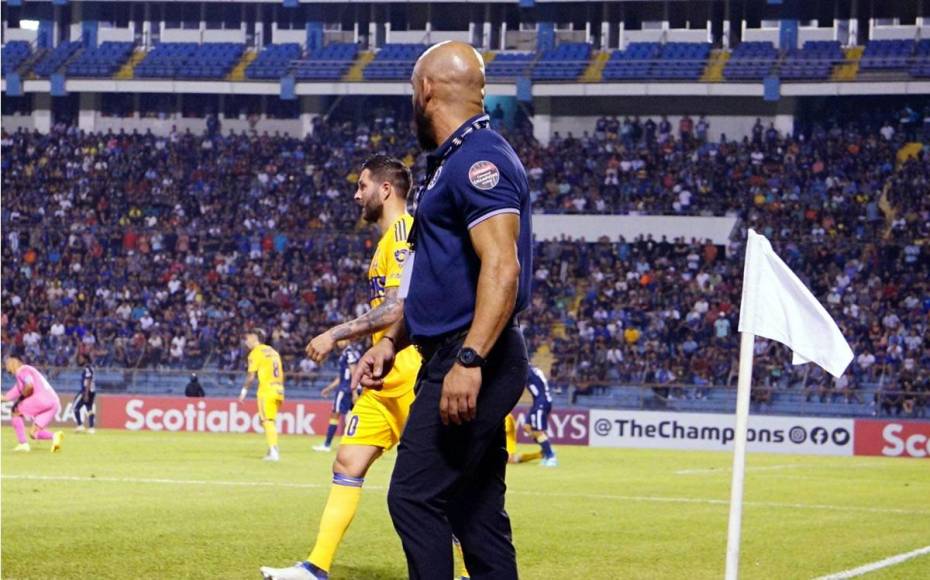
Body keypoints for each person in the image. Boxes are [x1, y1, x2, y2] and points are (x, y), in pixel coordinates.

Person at [352, 41, 531, 579]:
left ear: (425, 90)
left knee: (412, 498)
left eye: (413, 91)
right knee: (472, 512)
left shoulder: (480, 161)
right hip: (456, 350)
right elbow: (440, 282)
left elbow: (502, 268)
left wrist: (470, 360)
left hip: (472, 357)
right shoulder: (453, 161)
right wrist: (390, 342)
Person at [261, 155, 419, 580]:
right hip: (383, 384)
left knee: (438, 481)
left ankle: (467, 571)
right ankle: (316, 567)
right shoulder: (385, 243)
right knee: (347, 463)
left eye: (362, 185)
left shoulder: (404, 232)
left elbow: (399, 307)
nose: (356, 193)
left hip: (412, 378)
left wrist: (337, 334)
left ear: (385, 190)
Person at [239, 329, 285, 461]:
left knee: (267, 421)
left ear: (255, 338)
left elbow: (251, 376)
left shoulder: (255, 353)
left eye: (248, 338)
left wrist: (243, 392)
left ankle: (274, 451)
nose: (246, 341)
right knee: (265, 420)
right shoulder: (272, 351)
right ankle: (272, 447)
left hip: (267, 390)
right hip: (279, 389)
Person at [4, 357, 64, 453]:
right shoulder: (22, 377)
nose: (6, 366)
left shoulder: (23, 370)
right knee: (33, 433)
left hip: (43, 399)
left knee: (15, 411)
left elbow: (29, 385)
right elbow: (8, 396)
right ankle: (55, 436)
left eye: (7, 363)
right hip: (54, 403)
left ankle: (23, 444)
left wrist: (20, 399)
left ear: (15, 361)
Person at [313, 341, 361, 452]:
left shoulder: (349, 353)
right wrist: (329, 388)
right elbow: (343, 375)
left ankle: (327, 445)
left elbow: (354, 372)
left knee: (335, 414)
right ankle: (355, 444)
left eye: (342, 340)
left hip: (345, 389)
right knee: (351, 417)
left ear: (347, 340)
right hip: (348, 387)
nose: (339, 343)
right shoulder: (350, 353)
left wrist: (354, 391)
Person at [523, 365, 557, 467]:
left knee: (538, 431)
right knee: (527, 427)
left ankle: (551, 456)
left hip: (541, 402)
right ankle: (547, 450)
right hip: (539, 402)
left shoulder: (525, 370)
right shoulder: (533, 369)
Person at [73, 356, 97, 433]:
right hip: (92, 391)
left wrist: (86, 393)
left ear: (85, 359)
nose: (79, 359)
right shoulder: (91, 368)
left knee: (75, 407)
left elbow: (88, 380)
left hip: (86, 391)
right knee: (89, 408)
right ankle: (91, 427)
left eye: (81, 358)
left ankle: (80, 425)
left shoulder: (87, 368)